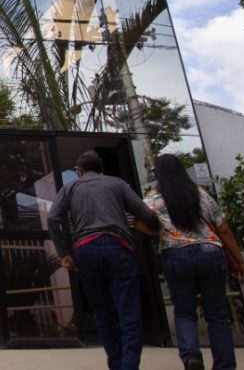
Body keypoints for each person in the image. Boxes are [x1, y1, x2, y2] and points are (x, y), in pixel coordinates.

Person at [48, 150, 160, 370]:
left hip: (85, 250)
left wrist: (65, 253)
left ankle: (115, 363)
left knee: (102, 312)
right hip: (118, 246)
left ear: (79, 171)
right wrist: (158, 227)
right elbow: (145, 214)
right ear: (101, 169)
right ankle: (129, 366)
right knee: (128, 311)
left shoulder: (70, 188)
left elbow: (53, 218)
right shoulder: (117, 184)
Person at [142, 154, 244, 370]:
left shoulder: (153, 199)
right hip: (210, 252)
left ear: (158, 174)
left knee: (183, 312)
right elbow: (223, 228)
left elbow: (136, 221)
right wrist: (240, 260)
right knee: (217, 315)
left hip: (176, 255)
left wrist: (160, 231)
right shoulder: (200, 194)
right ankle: (225, 365)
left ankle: (192, 358)